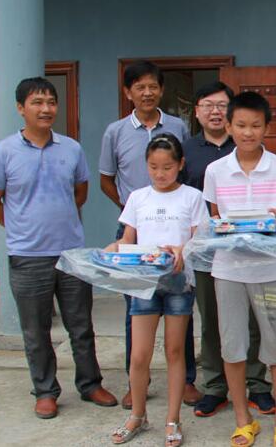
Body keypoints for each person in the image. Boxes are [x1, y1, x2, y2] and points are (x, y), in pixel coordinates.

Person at [0, 77, 117, 419]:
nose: (45, 109)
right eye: (37, 102)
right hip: (27, 256)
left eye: (51, 102)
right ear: (21, 108)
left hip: (71, 253)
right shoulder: (3, 152)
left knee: (81, 325)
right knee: (36, 331)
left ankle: (90, 384)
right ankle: (45, 391)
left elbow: (80, 193)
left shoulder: (71, 149)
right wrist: (20, 228)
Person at [99, 60, 200, 409]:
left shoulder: (177, 126)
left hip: (177, 237)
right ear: (128, 92)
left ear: (161, 90)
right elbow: (106, 178)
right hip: (137, 230)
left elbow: (195, 229)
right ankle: (136, 386)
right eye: (139, 87)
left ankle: (186, 381)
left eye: (152, 86)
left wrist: (184, 248)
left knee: (180, 319)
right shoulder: (115, 131)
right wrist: (130, 208)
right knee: (137, 309)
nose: (146, 92)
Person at [203, 91, 276, 447]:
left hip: (272, 270)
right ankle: (244, 420)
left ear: (266, 128)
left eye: (256, 125)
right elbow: (214, 219)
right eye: (241, 125)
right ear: (228, 126)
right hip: (228, 270)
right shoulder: (215, 171)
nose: (248, 132)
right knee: (233, 346)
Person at [181, 81, 275, 418]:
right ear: (197, 112)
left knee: (253, 319)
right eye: (208, 105)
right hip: (209, 250)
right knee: (212, 320)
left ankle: (257, 383)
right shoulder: (187, 150)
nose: (215, 111)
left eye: (222, 105)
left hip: (251, 251)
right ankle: (215, 386)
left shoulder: (250, 148)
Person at [108, 134, 207, 446]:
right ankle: (137, 415)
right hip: (144, 283)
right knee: (139, 355)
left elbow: (200, 241)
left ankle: (172, 419)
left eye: (167, 167)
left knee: (175, 352)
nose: (160, 173)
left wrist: (182, 250)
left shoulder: (192, 197)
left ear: (180, 164)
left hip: (179, 283)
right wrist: (114, 249)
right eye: (153, 167)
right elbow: (128, 238)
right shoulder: (138, 197)